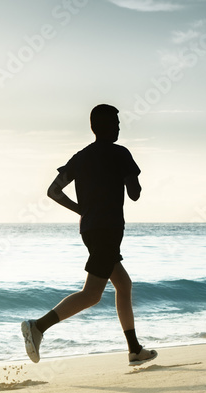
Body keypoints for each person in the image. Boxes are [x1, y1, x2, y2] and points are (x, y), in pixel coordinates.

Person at [21, 104, 158, 367]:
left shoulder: (81, 157)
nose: (119, 127)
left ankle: (134, 349)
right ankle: (38, 326)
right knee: (93, 293)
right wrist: (132, 176)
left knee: (123, 284)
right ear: (103, 126)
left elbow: (54, 191)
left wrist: (81, 209)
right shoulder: (121, 154)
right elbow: (135, 194)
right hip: (109, 229)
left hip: (90, 229)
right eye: (116, 123)